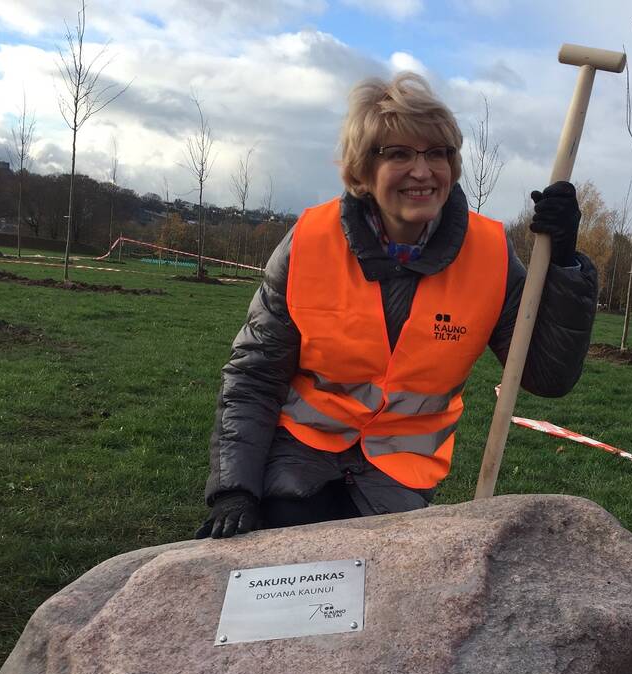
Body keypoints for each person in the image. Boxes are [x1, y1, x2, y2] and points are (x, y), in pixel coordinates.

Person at [195, 72, 598, 539]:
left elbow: (546, 377)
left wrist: (563, 264)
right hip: (299, 453)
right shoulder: (309, 242)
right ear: (362, 170)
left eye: (437, 153)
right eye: (400, 154)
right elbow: (255, 373)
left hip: (400, 472)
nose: (423, 171)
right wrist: (235, 489)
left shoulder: (491, 254)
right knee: (286, 552)